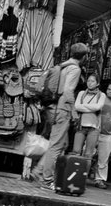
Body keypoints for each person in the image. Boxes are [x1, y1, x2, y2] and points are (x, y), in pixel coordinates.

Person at [35, 42, 88, 191]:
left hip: (52, 107)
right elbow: (68, 91)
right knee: (56, 146)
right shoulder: (75, 69)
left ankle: (39, 171)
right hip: (62, 109)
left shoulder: (62, 65)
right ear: (83, 57)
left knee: (61, 144)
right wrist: (73, 111)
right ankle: (46, 181)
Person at [92, 82, 111, 189]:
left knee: (104, 159)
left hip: (108, 135)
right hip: (94, 131)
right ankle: (82, 175)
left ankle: (99, 180)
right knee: (88, 154)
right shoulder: (100, 99)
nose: (110, 91)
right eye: (109, 89)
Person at [73, 73, 106, 163]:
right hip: (80, 126)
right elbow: (76, 106)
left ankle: (84, 175)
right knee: (76, 151)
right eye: (88, 81)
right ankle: (74, 173)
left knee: (88, 154)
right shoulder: (81, 93)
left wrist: (83, 107)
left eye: (92, 81)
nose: (90, 83)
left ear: (97, 83)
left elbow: (98, 107)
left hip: (94, 128)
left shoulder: (101, 95)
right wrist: (91, 108)